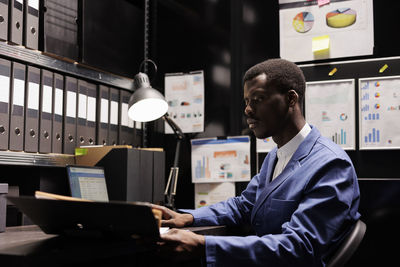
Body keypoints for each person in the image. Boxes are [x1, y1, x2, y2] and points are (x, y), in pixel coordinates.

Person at [155, 58, 360, 267]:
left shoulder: (331, 164)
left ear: (290, 99)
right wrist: (188, 218)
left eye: (258, 99)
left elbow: (299, 247)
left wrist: (205, 245)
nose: (248, 110)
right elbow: (244, 205)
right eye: (246, 101)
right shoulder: (275, 156)